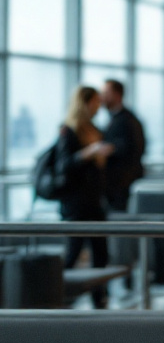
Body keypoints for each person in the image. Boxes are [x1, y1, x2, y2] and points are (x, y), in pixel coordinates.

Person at [56, 86, 114, 307]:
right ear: (85, 103)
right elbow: (64, 167)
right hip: (76, 204)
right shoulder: (69, 131)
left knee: (101, 253)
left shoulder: (94, 129)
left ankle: (99, 299)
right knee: (73, 252)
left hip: (95, 202)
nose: (99, 106)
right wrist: (88, 153)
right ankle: (60, 297)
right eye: (95, 101)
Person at [101, 79, 146, 212]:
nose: (102, 97)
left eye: (106, 93)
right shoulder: (114, 118)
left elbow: (135, 147)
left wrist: (110, 149)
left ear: (117, 95)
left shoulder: (128, 120)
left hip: (122, 184)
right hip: (116, 184)